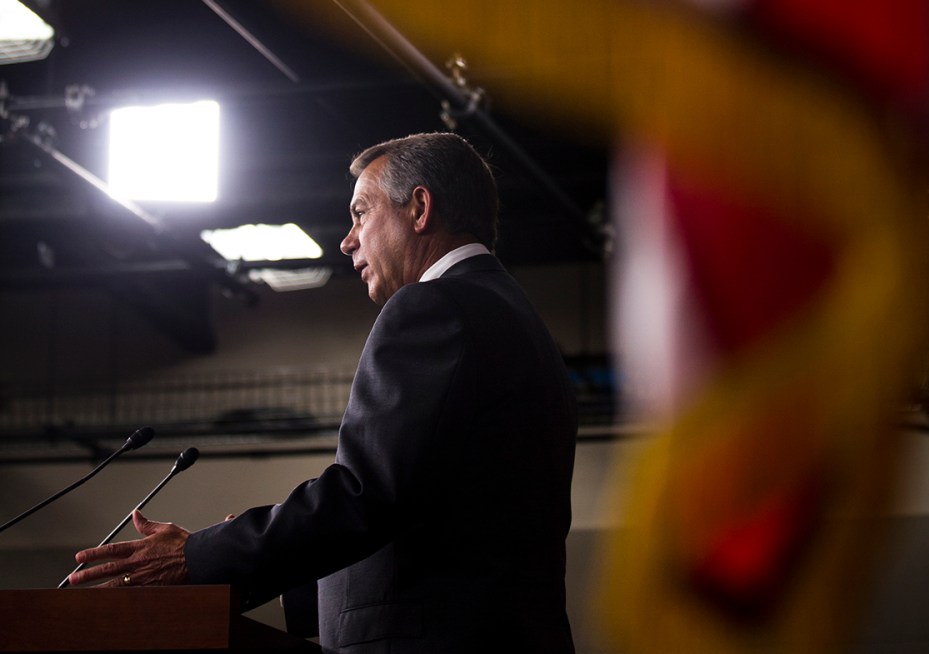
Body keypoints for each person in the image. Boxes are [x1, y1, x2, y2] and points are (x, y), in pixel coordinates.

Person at [68, 132, 579, 654]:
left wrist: (202, 555)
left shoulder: (433, 307)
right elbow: (449, 522)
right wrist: (266, 563)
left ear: (420, 209)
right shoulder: (516, 320)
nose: (347, 240)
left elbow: (366, 492)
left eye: (361, 213)